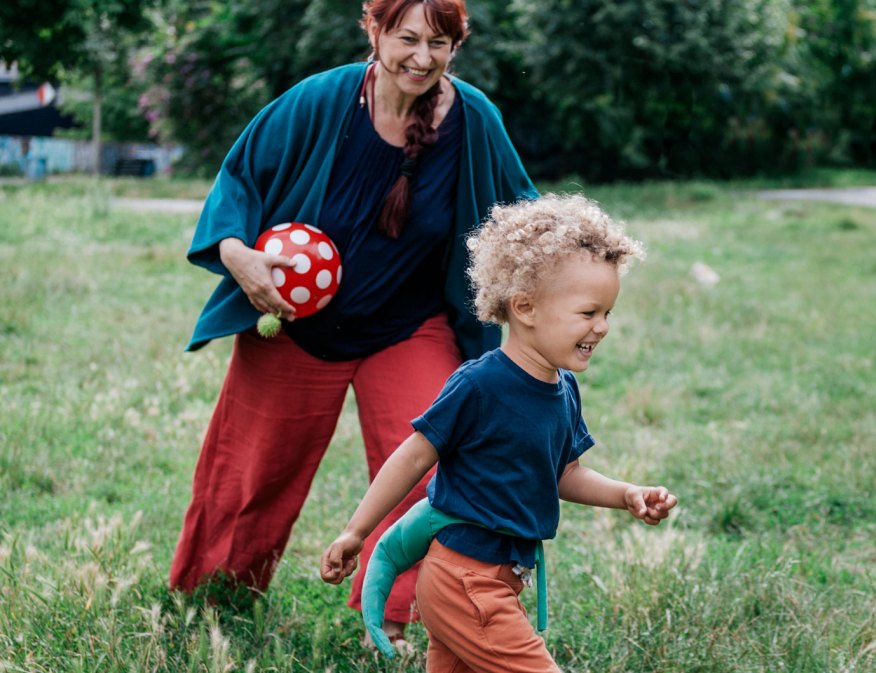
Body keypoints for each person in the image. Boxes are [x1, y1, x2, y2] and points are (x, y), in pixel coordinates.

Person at [169, 0, 537, 650]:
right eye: (407, 38)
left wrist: (569, 259)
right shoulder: (320, 101)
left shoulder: (474, 119)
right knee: (252, 472)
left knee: (432, 465)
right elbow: (238, 179)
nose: (422, 57)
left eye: (440, 43)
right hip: (299, 325)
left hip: (408, 325)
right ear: (374, 32)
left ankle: (395, 615)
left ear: (457, 46)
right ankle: (213, 601)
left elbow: (523, 211)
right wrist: (238, 254)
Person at [320, 194, 679, 672]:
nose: (603, 327)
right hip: (466, 581)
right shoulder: (479, 385)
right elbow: (413, 456)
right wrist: (356, 531)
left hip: (498, 578)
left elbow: (564, 473)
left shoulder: (562, 388)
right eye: (589, 312)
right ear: (526, 307)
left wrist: (627, 494)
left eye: (607, 313)